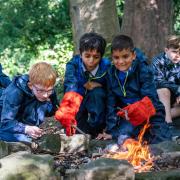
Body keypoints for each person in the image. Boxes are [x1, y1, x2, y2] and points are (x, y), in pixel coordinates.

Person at [97, 34, 171, 144]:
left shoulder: (143, 70)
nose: (121, 61)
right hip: (128, 116)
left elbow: (150, 98)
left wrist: (134, 109)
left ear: (133, 55)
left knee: (162, 142)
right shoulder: (111, 74)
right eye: (116, 58)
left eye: (125, 56)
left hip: (151, 112)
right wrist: (111, 131)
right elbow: (111, 104)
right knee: (122, 138)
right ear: (112, 58)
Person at [55, 32, 111, 137]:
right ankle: (81, 129)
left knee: (97, 94)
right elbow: (71, 86)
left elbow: (110, 90)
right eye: (87, 56)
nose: (91, 60)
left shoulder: (106, 67)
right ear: (81, 54)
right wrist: (83, 84)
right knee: (78, 130)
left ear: (101, 57)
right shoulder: (73, 65)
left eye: (96, 57)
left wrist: (99, 85)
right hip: (78, 98)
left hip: (97, 100)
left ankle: (97, 129)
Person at [0, 62, 58, 143]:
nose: (45, 95)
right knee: (22, 140)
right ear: (30, 85)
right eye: (40, 90)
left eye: (49, 90)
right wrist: (25, 129)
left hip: (23, 122)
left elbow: (53, 111)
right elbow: (5, 123)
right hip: (5, 124)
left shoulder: (47, 88)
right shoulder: (14, 92)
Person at [152, 35, 180, 126]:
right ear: (166, 50)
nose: (178, 55)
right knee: (164, 90)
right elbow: (157, 82)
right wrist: (177, 89)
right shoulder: (158, 61)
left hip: (176, 97)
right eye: (174, 52)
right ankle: (168, 122)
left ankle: (160, 117)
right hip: (161, 97)